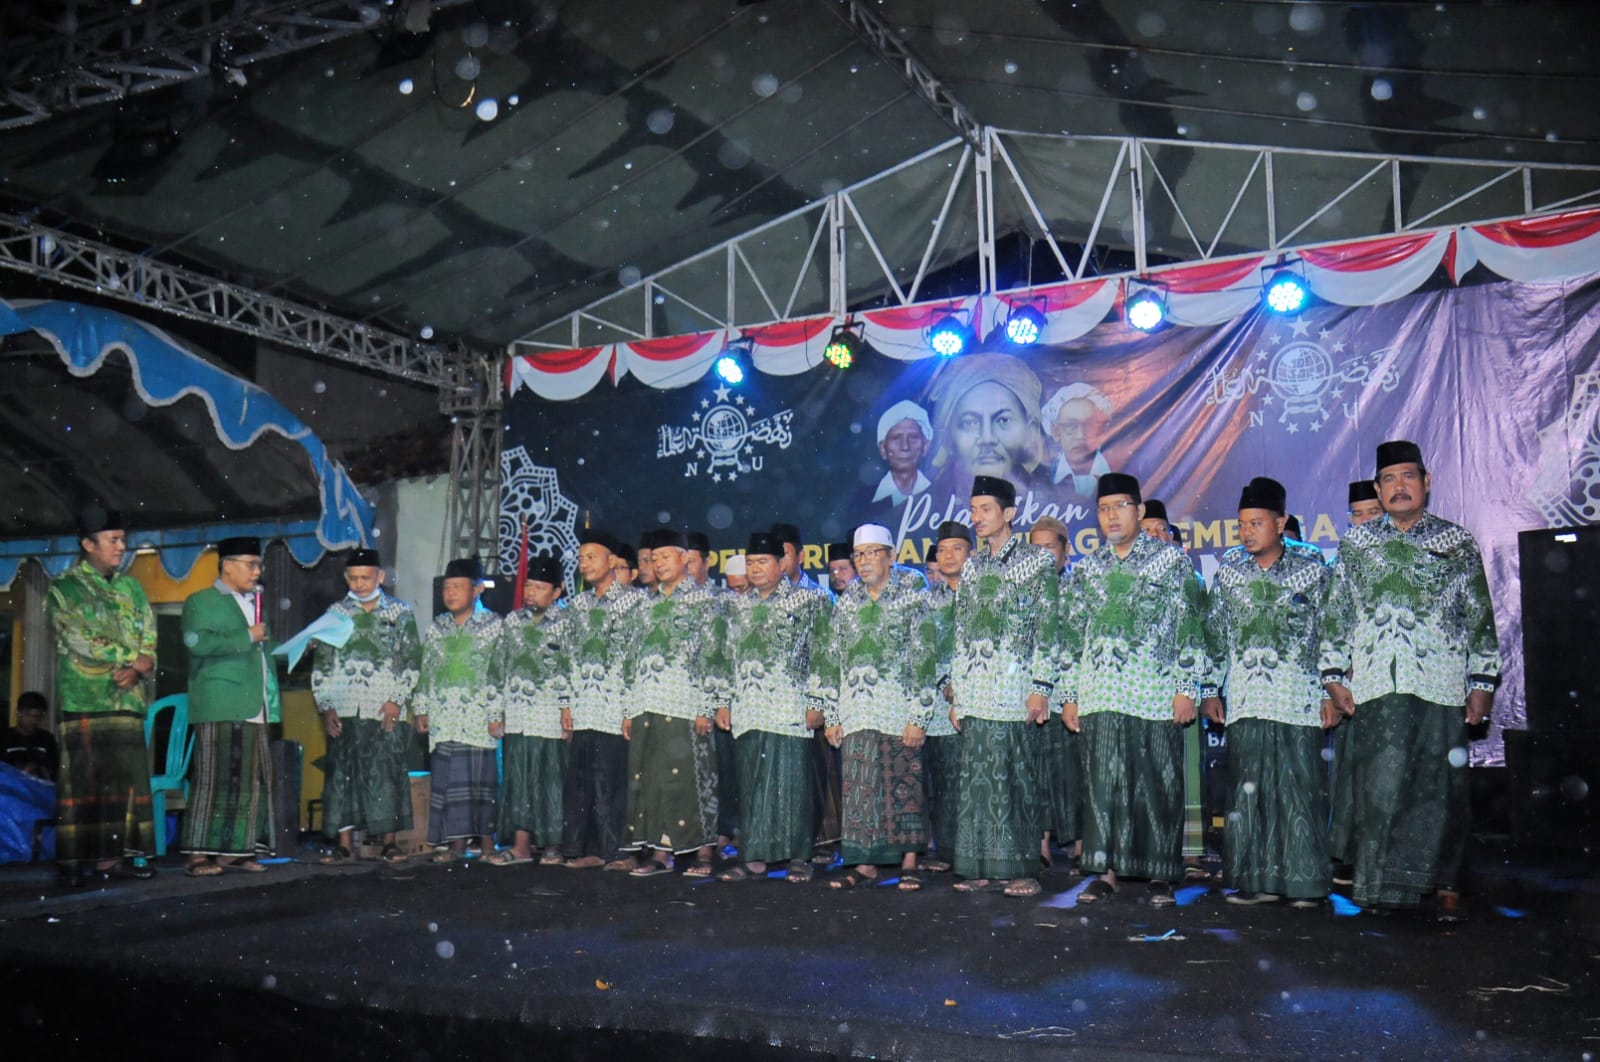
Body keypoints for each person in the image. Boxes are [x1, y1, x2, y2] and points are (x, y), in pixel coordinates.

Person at [1320, 440, 1499, 922]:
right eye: (1389, 480)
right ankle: (1382, 889)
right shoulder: (1358, 545)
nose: (1399, 487)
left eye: (1408, 477)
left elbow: (1479, 616)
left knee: (1442, 790)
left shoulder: (1456, 543)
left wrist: (1482, 682)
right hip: (1377, 685)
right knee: (1381, 790)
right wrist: (1333, 676)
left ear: (1426, 481)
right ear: (1378, 490)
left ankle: (1446, 886)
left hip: (1441, 683)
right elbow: (1337, 615)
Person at [1060, 474, 1206, 907]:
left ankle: (1160, 875)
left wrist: (1186, 688)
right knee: (1103, 787)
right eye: (1104, 509)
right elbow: (1071, 637)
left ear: (1139, 511)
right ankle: (1105, 874)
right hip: (1101, 694)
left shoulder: (1170, 562)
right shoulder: (1088, 569)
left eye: (1120, 506)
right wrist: (1069, 695)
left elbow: (1190, 628)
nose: (1112, 516)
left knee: (1158, 784)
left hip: (1154, 694)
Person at [1201, 478, 1335, 907]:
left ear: (1280, 523)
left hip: (1299, 696)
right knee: (1248, 790)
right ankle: (1253, 881)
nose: (1247, 532)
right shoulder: (1230, 571)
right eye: (1242, 524)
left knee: (1298, 790)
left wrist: (1332, 690)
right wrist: (1209, 689)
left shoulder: (1311, 568)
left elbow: (1330, 632)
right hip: (1247, 697)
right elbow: (1216, 634)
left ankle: (1304, 885)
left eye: (1256, 523)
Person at [948, 475, 1058, 898]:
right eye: (973, 510)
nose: (977, 518)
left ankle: (1023, 868)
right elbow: (961, 631)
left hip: (1015, 689)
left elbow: (1048, 626)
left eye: (986, 510)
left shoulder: (1036, 561)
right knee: (976, 780)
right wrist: (957, 692)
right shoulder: (972, 566)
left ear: (1009, 513)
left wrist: (1041, 686)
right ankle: (979, 867)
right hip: (975, 689)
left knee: (1016, 777)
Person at [812, 524, 935, 891]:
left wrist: (919, 717)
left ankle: (909, 861)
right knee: (859, 789)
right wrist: (832, 716)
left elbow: (924, 658)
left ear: (891, 556)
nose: (864, 561)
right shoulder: (848, 600)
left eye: (872, 553)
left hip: (898, 709)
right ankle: (863, 864)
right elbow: (831, 660)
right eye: (859, 555)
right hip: (856, 710)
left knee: (904, 785)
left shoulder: (912, 590)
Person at [45, 510, 159, 887]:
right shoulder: (65, 588)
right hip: (85, 700)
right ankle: (73, 864)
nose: (122, 547)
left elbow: (148, 635)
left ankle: (112, 861)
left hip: (127, 699)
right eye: (113, 540)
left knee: (122, 786)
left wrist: (139, 669)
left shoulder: (132, 588)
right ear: (88, 544)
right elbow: (75, 636)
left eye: (123, 539)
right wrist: (130, 658)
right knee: (82, 785)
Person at [715, 532, 830, 883]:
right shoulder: (736, 606)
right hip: (748, 708)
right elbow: (725, 657)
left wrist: (818, 701)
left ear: (781, 564)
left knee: (793, 784)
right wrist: (721, 702)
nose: (755, 569)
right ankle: (754, 859)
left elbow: (823, 654)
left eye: (763, 562)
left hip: (790, 707)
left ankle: (799, 857)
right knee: (751, 785)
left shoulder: (809, 601)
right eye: (750, 563)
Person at [616, 531, 723, 878]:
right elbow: (631, 661)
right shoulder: (644, 605)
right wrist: (628, 711)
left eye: (665, 557)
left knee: (692, 779)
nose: (658, 564)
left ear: (684, 559)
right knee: (654, 780)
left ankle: (704, 853)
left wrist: (707, 707)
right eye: (653, 558)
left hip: (686, 705)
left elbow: (714, 657)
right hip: (647, 704)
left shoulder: (704, 601)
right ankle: (661, 855)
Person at [313, 548, 422, 866]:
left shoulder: (399, 612)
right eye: (353, 578)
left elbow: (412, 660)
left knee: (386, 773)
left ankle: (389, 844)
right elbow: (322, 664)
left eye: (366, 578)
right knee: (341, 775)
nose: (359, 584)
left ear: (380, 577)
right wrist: (326, 707)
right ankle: (345, 845)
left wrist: (396, 700)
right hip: (344, 706)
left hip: (384, 707)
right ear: (346, 578)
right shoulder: (336, 613)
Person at [181, 536, 279, 878]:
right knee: (212, 780)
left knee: (249, 782)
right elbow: (196, 642)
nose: (257, 571)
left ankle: (233, 852)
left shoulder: (254, 603)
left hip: (255, 704)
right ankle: (196, 855)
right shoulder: (201, 601)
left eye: (258, 564)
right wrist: (247, 636)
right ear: (228, 566)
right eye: (251, 564)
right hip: (220, 702)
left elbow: (261, 650)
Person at [561, 530, 649, 868]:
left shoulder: (635, 602)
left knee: (615, 781)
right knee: (583, 782)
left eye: (591, 557)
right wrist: (566, 703)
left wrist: (630, 710)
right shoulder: (578, 605)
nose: (584, 564)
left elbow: (637, 660)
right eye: (581, 558)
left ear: (612, 561)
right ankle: (592, 851)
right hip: (584, 707)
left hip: (616, 708)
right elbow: (567, 657)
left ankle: (622, 853)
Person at [414, 557, 502, 864]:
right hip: (444, 718)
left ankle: (488, 847)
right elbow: (426, 671)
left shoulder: (494, 626)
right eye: (446, 587)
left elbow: (498, 674)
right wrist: (421, 709)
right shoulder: (437, 628)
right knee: (449, 784)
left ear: (477, 589)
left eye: (457, 587)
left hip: (479, 719)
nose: (450, 593)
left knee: (482, 785)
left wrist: (496, 714)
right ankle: (456, 847)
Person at [489, 555, 572, 867]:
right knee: (518, 780)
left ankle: (553, 845)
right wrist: (494, 712)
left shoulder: (567, 623)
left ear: (557, 591)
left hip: (550, 715)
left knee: (551, 781)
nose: (531, 593)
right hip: (517, 715)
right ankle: (521, 846)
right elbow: (497, 669)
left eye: (539, 588)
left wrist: (568, 709)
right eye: (528, 586)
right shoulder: (512, 622)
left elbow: (572, 669)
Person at [1327, 478, 1387, 883]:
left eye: (1372, 513)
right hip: (1353, 689)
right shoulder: (1341, 563)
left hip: (1397, 685)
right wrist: (1335, 676)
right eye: (1357, 515)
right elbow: (1330, 627)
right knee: (1352, 776)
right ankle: (1349, 855)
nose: (1364, 521)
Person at [928, 355, 1048, 509]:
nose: (987, 438)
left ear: (1031, 430)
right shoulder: (915, 512)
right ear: (948, 438)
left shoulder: (1060, 506)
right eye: (970, 423)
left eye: (1003, 420)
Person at [1029, 516, 1081, 869]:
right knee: (1038, 770)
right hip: (1034, 695)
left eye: (1049, 547)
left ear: (1065, 549)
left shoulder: (1081, 585)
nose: (1043, 555)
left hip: (1072, 694)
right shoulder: (1023, 589)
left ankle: (1080, 845)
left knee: (1074, 771)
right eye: (1036, 549)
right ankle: (1042, 846)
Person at [922, 521, 971, 872]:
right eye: (942, 550)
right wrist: (946, 683)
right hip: (940, 708)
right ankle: (948, 852)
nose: (948, 556)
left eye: (956, 548)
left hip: (981, 701)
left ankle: (974, 854)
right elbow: (925, 649)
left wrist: (964, 684)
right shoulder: (928, 601)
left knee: (974, 780)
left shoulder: (984, 594)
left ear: (971, 553)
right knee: (943, 779)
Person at [1043, 383, 1114, 499]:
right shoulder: (1041, 479)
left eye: (1089, 425)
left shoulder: (1120, 472)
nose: (1080, 435)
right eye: (1071, 426)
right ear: (1056, 432)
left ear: (1102, 430)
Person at [4, 692, 57, 781]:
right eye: (29, 715)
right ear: (18, 712)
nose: (34, 721)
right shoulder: (4, 737)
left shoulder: (47, 739)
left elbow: (54, 770)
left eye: (38, 716)